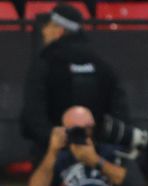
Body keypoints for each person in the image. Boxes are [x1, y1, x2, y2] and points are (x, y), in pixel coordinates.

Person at [20, 3, 129, 167]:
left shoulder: (43, 65)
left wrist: (59, 142)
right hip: (98, 158)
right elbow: (120, 114)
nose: (43, 31)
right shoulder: (102, 65)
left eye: (48, 26)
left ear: (59, 30)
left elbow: (32, 118)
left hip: (54, 161)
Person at [26, 106, 144, 186]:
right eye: (76, 131)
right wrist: (52, 151)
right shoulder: (58, 159)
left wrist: (96, 161)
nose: (83, 134)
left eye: (88, 128)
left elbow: (136, 184)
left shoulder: (113, 153)